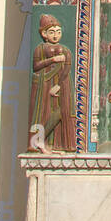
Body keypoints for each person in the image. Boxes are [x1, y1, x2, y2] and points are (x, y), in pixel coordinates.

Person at [29, 13, 76, 153]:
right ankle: (38, 141)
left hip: (62, 84)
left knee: (62, 112)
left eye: (58, 32)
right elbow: (36, 66)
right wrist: (52, 60)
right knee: (43, 112)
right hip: (44, 84)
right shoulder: (40, 49)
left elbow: (67, 68)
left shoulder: (66, 50)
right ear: (44, 34)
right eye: (52, 32)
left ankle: (52, 142)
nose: (55, 35)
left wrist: (59, 86)